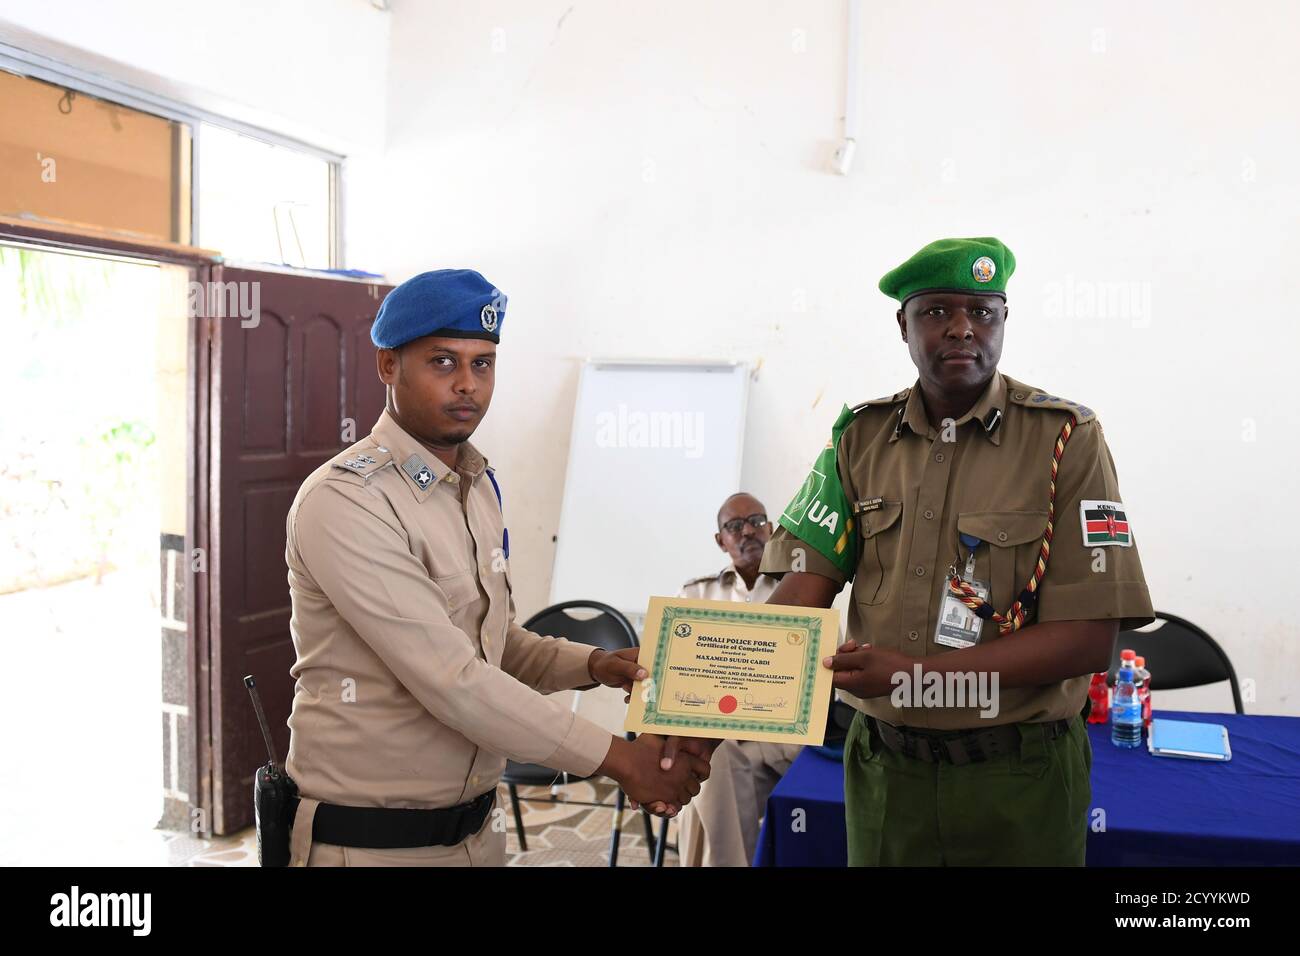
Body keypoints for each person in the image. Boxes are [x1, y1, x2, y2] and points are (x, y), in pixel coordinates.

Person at [283, 269, 709, 866]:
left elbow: (492, 644)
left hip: (478, 835)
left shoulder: (475, 486)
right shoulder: (347, 501)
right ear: (388, 366)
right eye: (442, 362)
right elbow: (451, 677)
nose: (467, 385)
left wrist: (595, 665)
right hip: (371, 844)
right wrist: (623, 760)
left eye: (482, 364)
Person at [759, 237, 1154, 866]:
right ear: (903, 325)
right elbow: (798, 594)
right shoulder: (859, 440)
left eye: (982, 312)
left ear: (1002, 321)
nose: (962, 329)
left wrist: (915, 679)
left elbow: (1087, 639)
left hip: (1019, 777)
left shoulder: (1067, 441)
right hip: (886, 772)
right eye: (938, 311)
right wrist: (690, 707)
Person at [673, 492, 802, 867]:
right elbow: (675, 672)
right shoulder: (696, 594)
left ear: (772, 528)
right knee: (716, 759)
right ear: (721, 541)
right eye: (734, 526)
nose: (748, 531)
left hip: (777, 738)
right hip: (717, 736)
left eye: (757, 521)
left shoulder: (802, 591)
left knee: (703, 777)